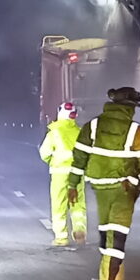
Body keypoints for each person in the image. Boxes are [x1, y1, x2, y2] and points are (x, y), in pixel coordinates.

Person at [73, 85, 140, 280]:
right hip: (123, 189)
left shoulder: (92, 126)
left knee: (106, 232)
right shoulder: (136, 131)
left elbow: (79, 158)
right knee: (117, 236)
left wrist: (72, 185)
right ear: (129, 107)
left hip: (99, 187)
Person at [39, 100, 86, 247]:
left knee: (59, 205)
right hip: (77, 174)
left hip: (59, 173)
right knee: (77, 204)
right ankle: (79, 230)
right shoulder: (79, 132)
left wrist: (53, 162)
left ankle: (61, 237)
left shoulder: (54, 132)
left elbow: (44, 153)